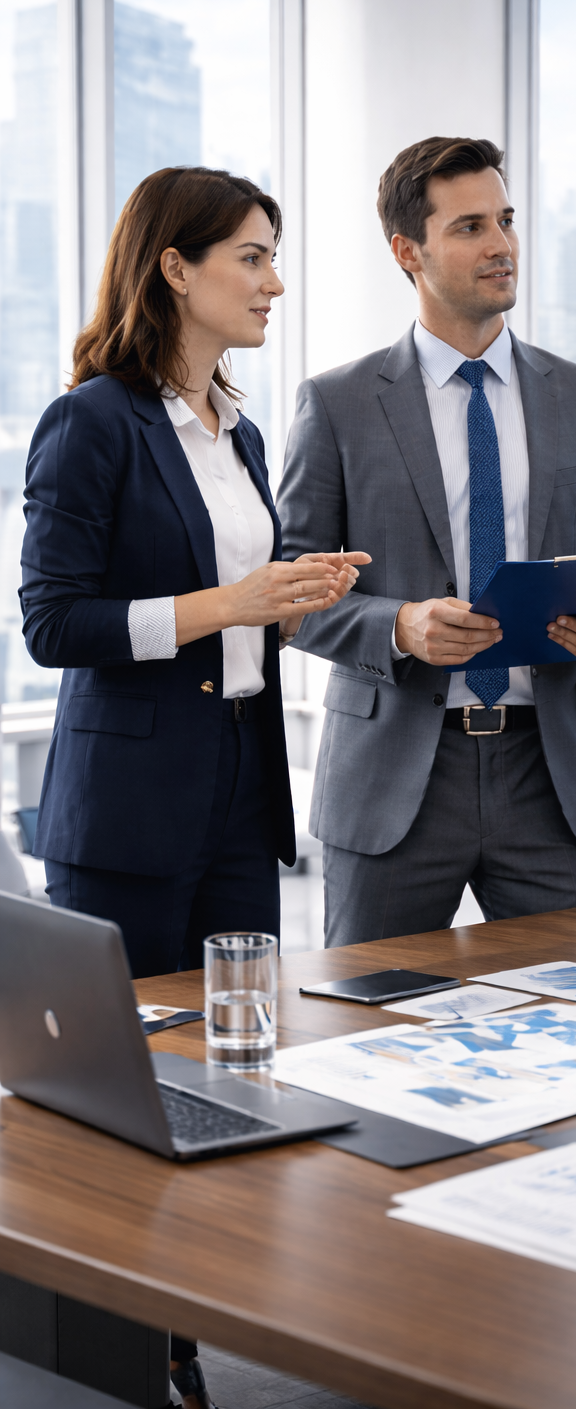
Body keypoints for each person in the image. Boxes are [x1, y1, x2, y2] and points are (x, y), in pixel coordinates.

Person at [21, 165, 369, 1409]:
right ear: (176, 266)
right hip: (128, 805)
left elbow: (237, 613)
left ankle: (189, 1326)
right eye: (253, 257)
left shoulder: (241, 428)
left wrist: (294, 592)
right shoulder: (94, 420)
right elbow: (53, 623)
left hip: (236, 780)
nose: (275, 281)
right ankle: (119, 1352)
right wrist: (232, 601)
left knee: (231, 1071)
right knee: (120, 1092)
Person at [277, 136, 576, 945]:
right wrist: (398, 626)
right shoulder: (338, 404)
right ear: (407, 251)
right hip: (393, 780)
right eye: (471, 227)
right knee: (369, 1029)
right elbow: (288, 591)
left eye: (507, 220)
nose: (502, 245)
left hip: (549, 776)